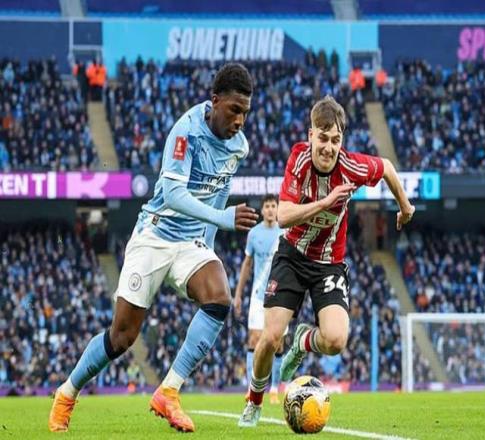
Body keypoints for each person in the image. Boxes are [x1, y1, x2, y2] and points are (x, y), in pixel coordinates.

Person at [49, 63, 258, 433]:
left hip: (190, 242)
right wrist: (223, 218)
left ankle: (169, 391)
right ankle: (67, 393)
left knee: (219, 297)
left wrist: (208, 242)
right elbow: (174, 195)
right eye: (234, 110)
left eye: (245, 112)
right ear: (214, 101)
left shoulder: (238, 146)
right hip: (155, 236)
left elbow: (220, 188)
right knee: (122, 337)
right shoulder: (186, 132)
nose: (240, 120)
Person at [238, 96, 415, 427]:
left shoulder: (352, 166)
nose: (329, 147)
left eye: (336, 140)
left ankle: (303, 340)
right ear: (311, 136)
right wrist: (326, 201)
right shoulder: (299, 159)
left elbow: (388, 168)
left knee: (335, 340)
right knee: (270, 338)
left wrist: (405, 208)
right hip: (292, 256)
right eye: (323, 138)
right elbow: (284, 215)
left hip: (329, 264)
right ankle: (254, 401)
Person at [234, 194, 283, 404]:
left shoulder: (285, 233)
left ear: (278, 209)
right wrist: (238, 294)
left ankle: (274, 389)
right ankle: (251, 389)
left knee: (277, 344)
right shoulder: (254, 234)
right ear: (262, 210)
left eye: (273, 206)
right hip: (257, 296)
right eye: (267, 206)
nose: (270, 209)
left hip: (279, 296)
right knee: (253, 340)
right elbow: (247, 264)